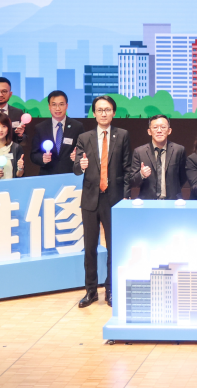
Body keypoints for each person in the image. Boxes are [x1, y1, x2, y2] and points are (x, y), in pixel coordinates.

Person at [74, 96, 130, 307]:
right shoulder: (84, 137)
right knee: (90, 248)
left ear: (113, 113)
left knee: (113, 247)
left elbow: (126, 168)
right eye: (99, 110)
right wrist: (80, 165)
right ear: (94, 113)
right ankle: (90, 291)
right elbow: (76, 169)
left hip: (113, 199)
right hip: (90, 199)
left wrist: (125, 196)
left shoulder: (122, 135)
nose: (104, 113)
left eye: (107, 109)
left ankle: (111, 290)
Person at [127, 115, 185, 199]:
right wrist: (141, 174)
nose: (159, 130)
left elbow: (183, 177)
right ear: (149, 131)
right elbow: (132, 181)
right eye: (155, 127)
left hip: (172, 200)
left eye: (163, 127)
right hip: (148, 201)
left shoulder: (179, 150)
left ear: (169, 131)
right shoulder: (139, 152)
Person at [28, 91, 83, 175]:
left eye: (61, 104)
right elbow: (34, 154)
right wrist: (42, 158)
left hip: (70, 174)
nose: (58, 108)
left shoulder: (77, 127)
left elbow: (84, 151)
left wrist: (78, 156)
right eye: (54, 105)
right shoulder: (40, 128)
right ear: (49, 107)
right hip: (48, 175)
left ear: (66, 106)